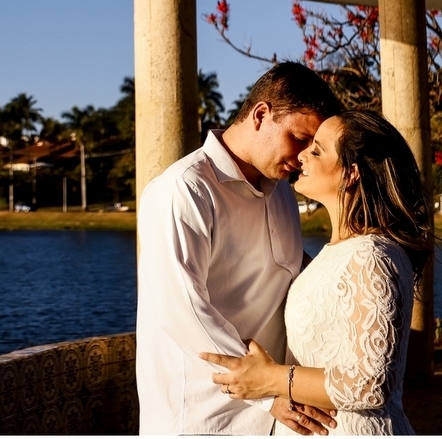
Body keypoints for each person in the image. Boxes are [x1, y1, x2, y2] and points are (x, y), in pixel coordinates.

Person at [136, 62, 342, 435]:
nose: (301, 159)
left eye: (312, 148)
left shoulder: (281, 192)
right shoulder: (184, 190)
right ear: (261, 114)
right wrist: (266, 391)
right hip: (203, 417)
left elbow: (294, 275)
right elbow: (183, 309)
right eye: (298, 138)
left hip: (276, 410)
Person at [200, 110, 434, 435]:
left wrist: (270, 379)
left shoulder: (372, 256)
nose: (302, 155)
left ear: (351, 174)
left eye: (317, 149)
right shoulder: (338, 252)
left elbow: (371, 383)